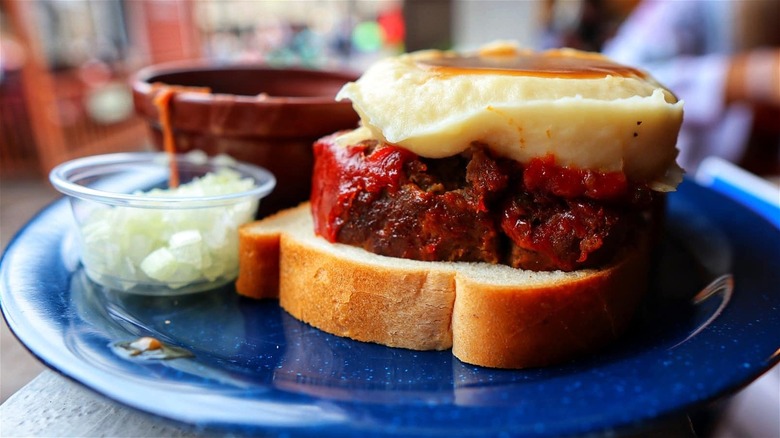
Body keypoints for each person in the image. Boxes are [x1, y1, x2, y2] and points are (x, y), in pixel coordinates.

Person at [601, 0, 780, 174]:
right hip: (665, 179)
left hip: (728, 182)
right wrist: (746, 78)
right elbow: (614, 84)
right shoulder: (684, 6)